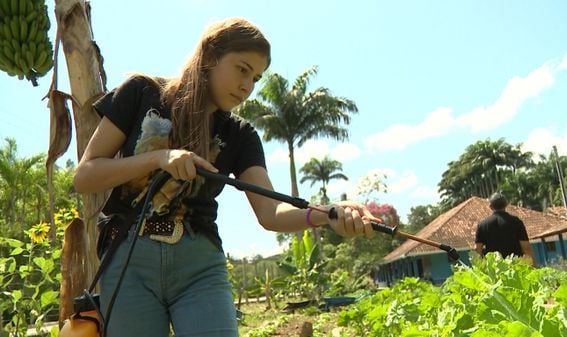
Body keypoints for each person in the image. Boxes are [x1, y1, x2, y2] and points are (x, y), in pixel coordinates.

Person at [73, 17, 378, 337]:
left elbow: (271, 212)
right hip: (129, 260)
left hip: (199, 267)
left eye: (257, 78)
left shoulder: (241, 135)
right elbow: (85, 176)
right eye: (242, 69)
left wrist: (327, 215)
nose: (248, 86)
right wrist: (159, 158)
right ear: (209, 57)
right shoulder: (141, 93)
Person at [475, 192, 535, 265]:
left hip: (495, 269)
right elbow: (526, 248)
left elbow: (478, 250)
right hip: (515, 267)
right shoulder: (516, 222)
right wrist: (532, 266)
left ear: (490, 206)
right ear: (506, 204)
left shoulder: (482, 225)